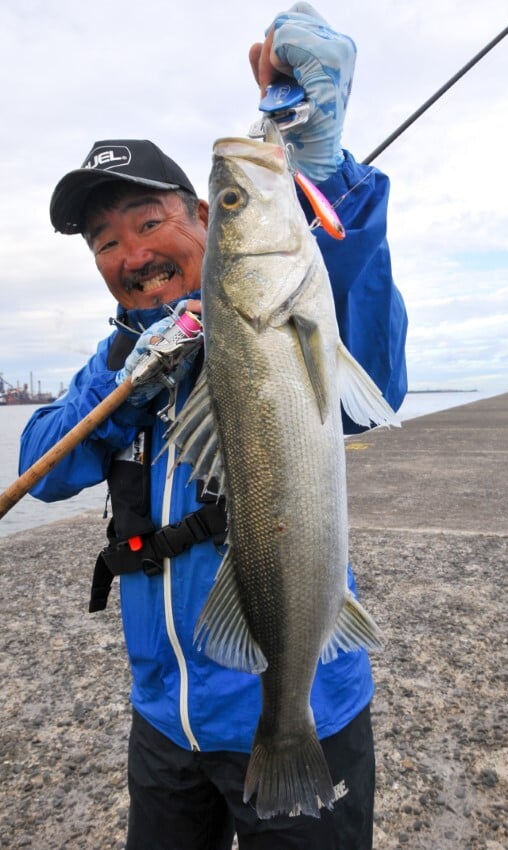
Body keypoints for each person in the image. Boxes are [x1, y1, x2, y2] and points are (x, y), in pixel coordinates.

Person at [19, 4, 407, 848]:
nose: (130, 253)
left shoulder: (290, 312)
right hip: (163, 722)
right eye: (103, 241)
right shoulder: (122, 366)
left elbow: (364, 375)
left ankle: (287, 719)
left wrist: (325, 173)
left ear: (204, 219)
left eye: (149, 222)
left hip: (306, 700)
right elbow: (42, 470)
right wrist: (123, 360)